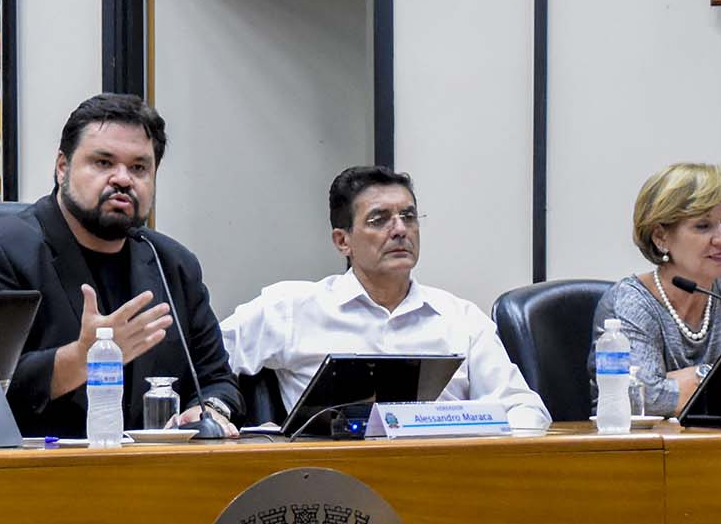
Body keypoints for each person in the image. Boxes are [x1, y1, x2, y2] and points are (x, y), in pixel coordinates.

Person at [0, 92, 240, 438]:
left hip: (155, 477)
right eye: (103, 162)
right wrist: (81, 359)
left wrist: (208, 411)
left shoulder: (172, 264)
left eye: (139, 167)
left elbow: (217, 380)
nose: (123, 179)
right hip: (30, 476)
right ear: (62, 167)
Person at [221, 166, 547, 427]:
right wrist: (214, 407)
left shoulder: (460, 319)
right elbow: (207, 363)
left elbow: (525, 408)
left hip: (445, 479)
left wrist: (480, 429)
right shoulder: (292, 308)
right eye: (379, 220)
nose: (400, 229)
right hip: (329, 485)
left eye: (408, 216)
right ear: (342, 241)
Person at [588, 162, 721, 418]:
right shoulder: (631, 302)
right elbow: (644, 399)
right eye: (703, 226)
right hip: (643, 453)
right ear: (660, 237)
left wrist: (686, 381)